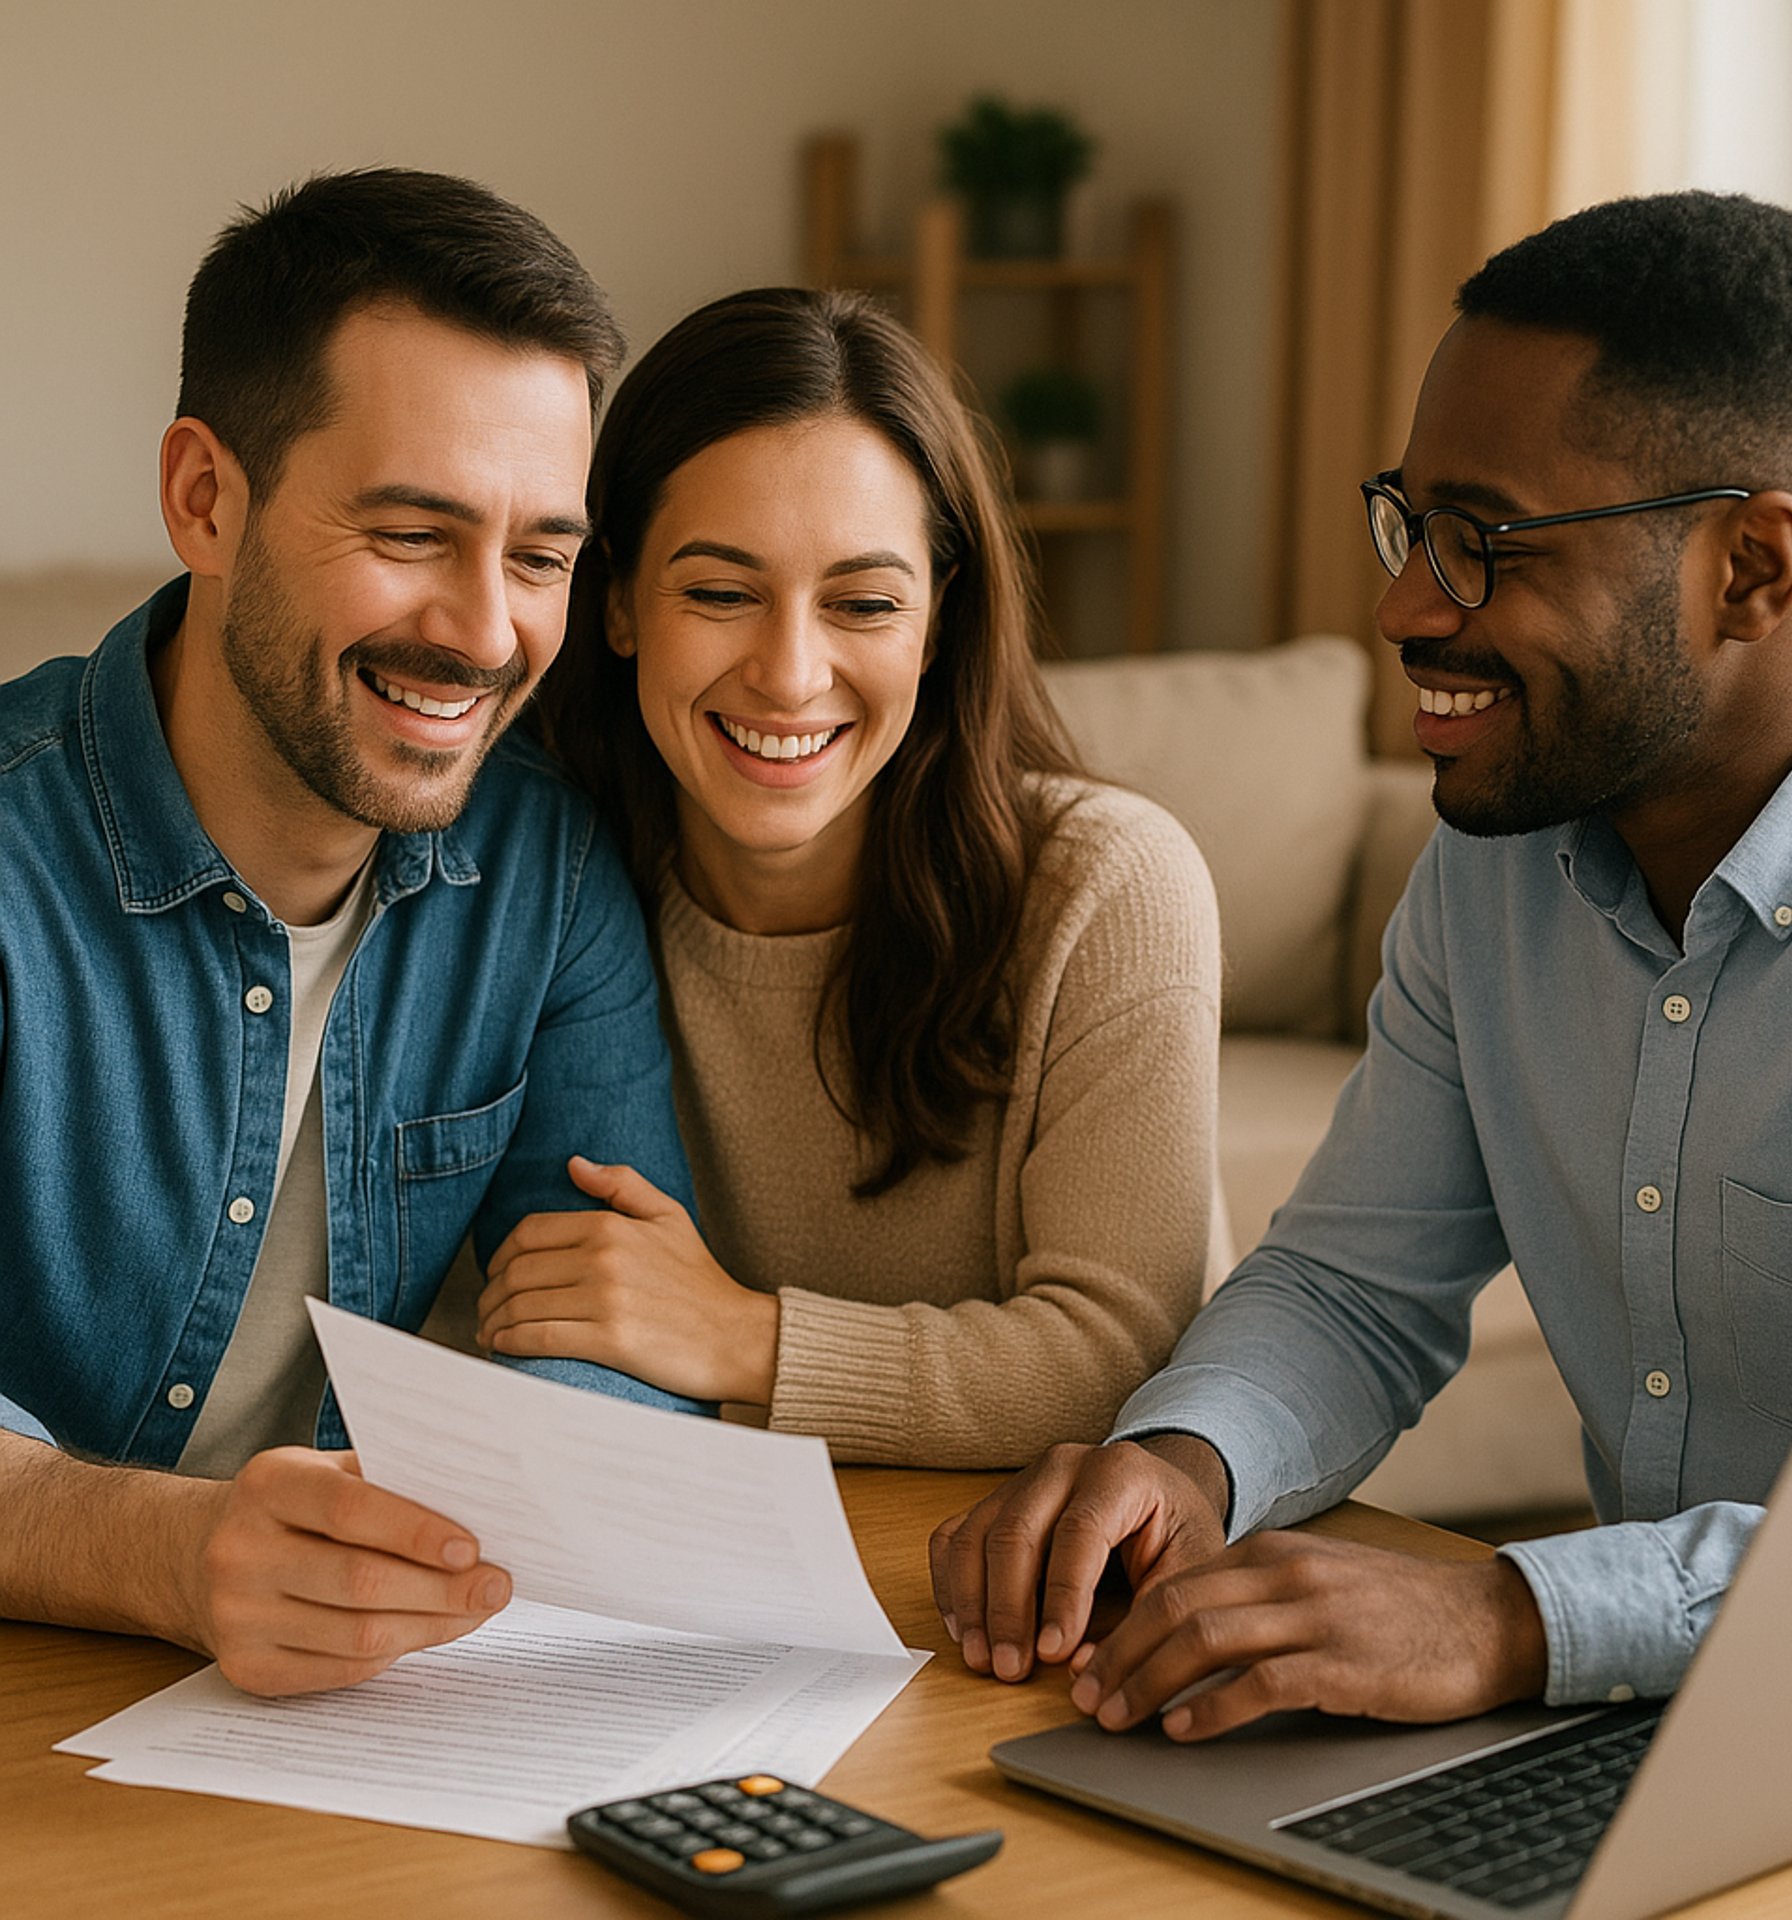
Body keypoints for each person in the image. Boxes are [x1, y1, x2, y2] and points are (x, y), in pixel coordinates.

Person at [930, 190, 1792, 1734]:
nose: (1402, 607)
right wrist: (1184, 1462)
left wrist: (1519, 1613)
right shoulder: (1498, 863)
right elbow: (1353, 1285)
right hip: (1657, 1733)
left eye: (1484, 545)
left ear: (1754, 568)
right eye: (1411, 524)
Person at [0, 168, 703, 1699]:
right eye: (411, 533)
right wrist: (164, 1553)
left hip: (342, 1704)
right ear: (205, 497)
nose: (484, 632)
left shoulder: (543, 871)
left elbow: (628, 1338)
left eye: (538, 557)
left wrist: (477, 1507)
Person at [480, 286, 1222, 1465]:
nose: (788, 673)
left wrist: (746, 1340)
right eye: (720, 593)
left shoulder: (1107, 890)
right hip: (695, 1573)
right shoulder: (538, 883)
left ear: (938, 623)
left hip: (999, 1587)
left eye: (864, 603)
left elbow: (1132, 1359)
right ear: (616, 601)